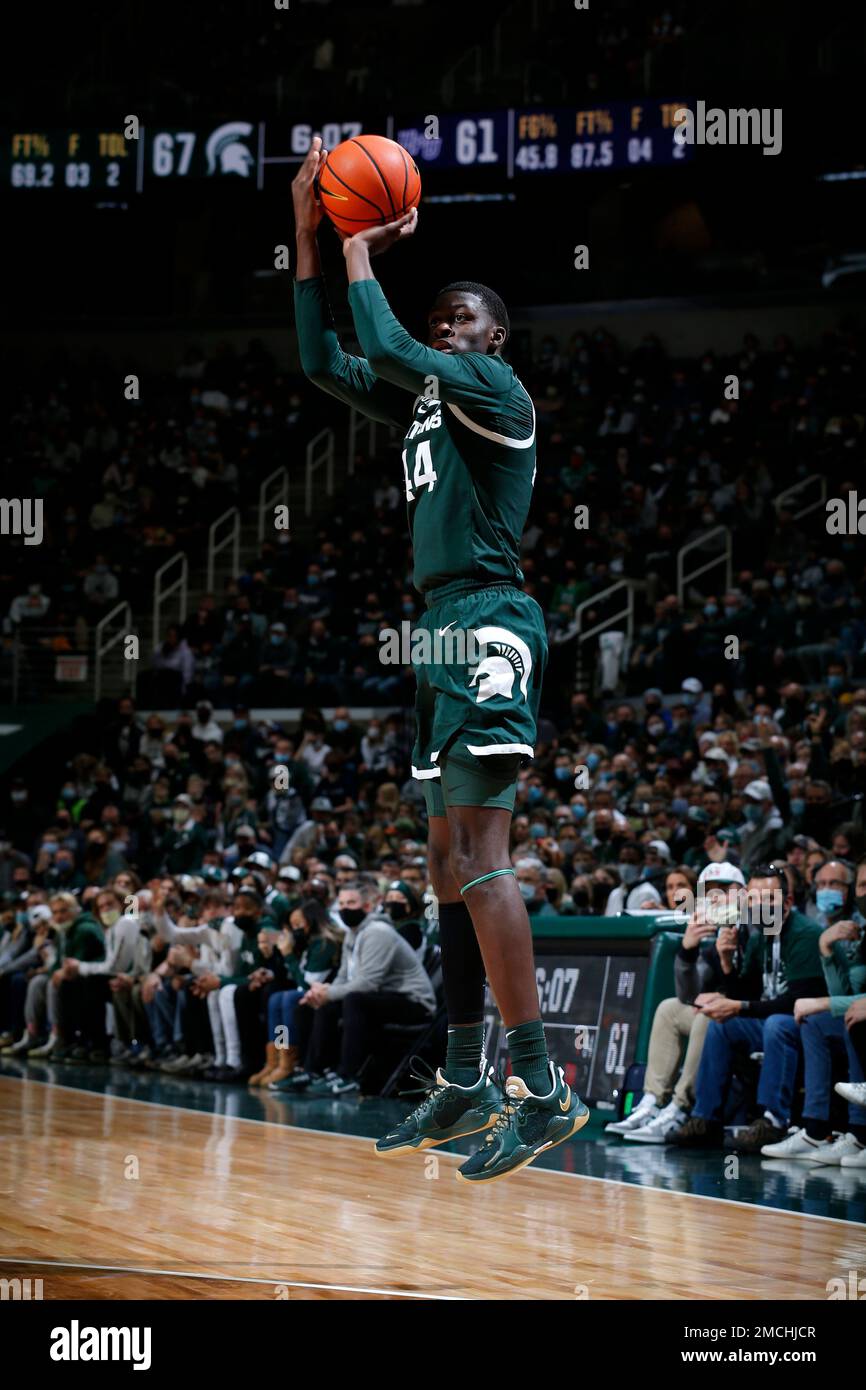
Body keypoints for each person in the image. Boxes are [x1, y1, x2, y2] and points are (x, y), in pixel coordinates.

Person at [293, 138, 587, 1181]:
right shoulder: (426, 401)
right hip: (436, 630)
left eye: (457, 320)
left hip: (492, 620)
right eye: (440, 320)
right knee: (439, 864)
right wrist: (307, 232)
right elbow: (327, 360)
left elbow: (384, 334)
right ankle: (463, 1073)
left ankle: (542, 1091)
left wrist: (360, 242)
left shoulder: (492, 388)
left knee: (485, 851)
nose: (441, 329)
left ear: (492, 338)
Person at [667, 865, 825, 1152]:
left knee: (777, 1022)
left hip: (805, 1023)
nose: (759, 906)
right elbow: (747, 992)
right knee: (721, 1025)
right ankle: (706, 1119)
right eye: (752, 899)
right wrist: (727, 963)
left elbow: (798, 1001)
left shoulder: (805, 934)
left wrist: (737, 1005)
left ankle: (773, 1120)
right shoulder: (758, 938)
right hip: (771, 1021)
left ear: (787, 902)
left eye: (768, 898)